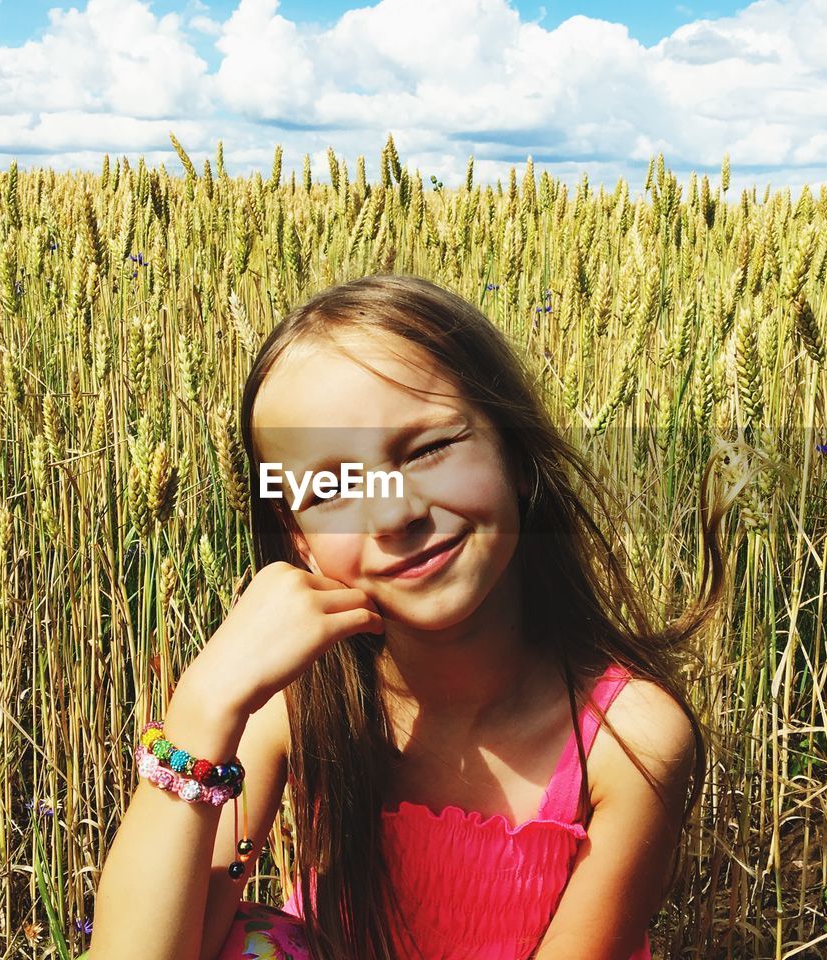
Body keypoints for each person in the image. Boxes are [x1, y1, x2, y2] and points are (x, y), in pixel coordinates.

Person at [90, 274, 736, 960]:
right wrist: (203, 707)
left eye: (427, 451)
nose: (395, 512)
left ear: (515, 454)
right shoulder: (298, 697)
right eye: (333, 487)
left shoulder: (627, 741)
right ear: (298, 535)